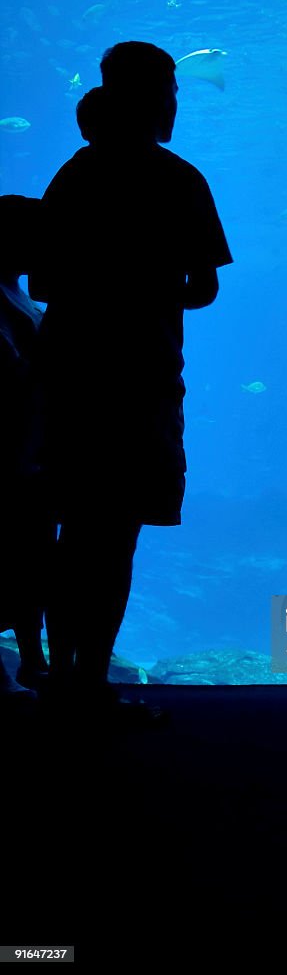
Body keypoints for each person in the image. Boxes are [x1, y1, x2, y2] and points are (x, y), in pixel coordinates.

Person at [29, 41, 232, 719]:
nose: (176, 101)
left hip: (69, 376)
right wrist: (147, 291)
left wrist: (100, 290)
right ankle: (89, 682)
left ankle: (60, 677)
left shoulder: (72, 177)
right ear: (158, 98)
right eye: (171, 89)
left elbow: (44, 281)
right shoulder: (180, 180)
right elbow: (202, 288)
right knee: (114, 536)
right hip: (142, 378)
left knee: (69, 528)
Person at [0, 195, 55, 698]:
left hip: (35, 458)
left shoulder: (19, 296)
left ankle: (33, 658)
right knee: (11, 558)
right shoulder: (1, 299)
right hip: (12, 458)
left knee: (34, 562)